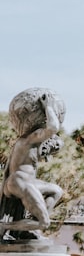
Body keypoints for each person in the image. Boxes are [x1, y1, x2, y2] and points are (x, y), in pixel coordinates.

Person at [1, 89, 65, 239]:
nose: (49, 151)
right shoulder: (31, 138)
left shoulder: (27, 142)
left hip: (23, 181)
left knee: (56, 190)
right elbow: (53, 128)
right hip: (20, 182)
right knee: (44, 223)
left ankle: (26, 230)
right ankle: (6, 227)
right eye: (51, 146)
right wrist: (48, 106)